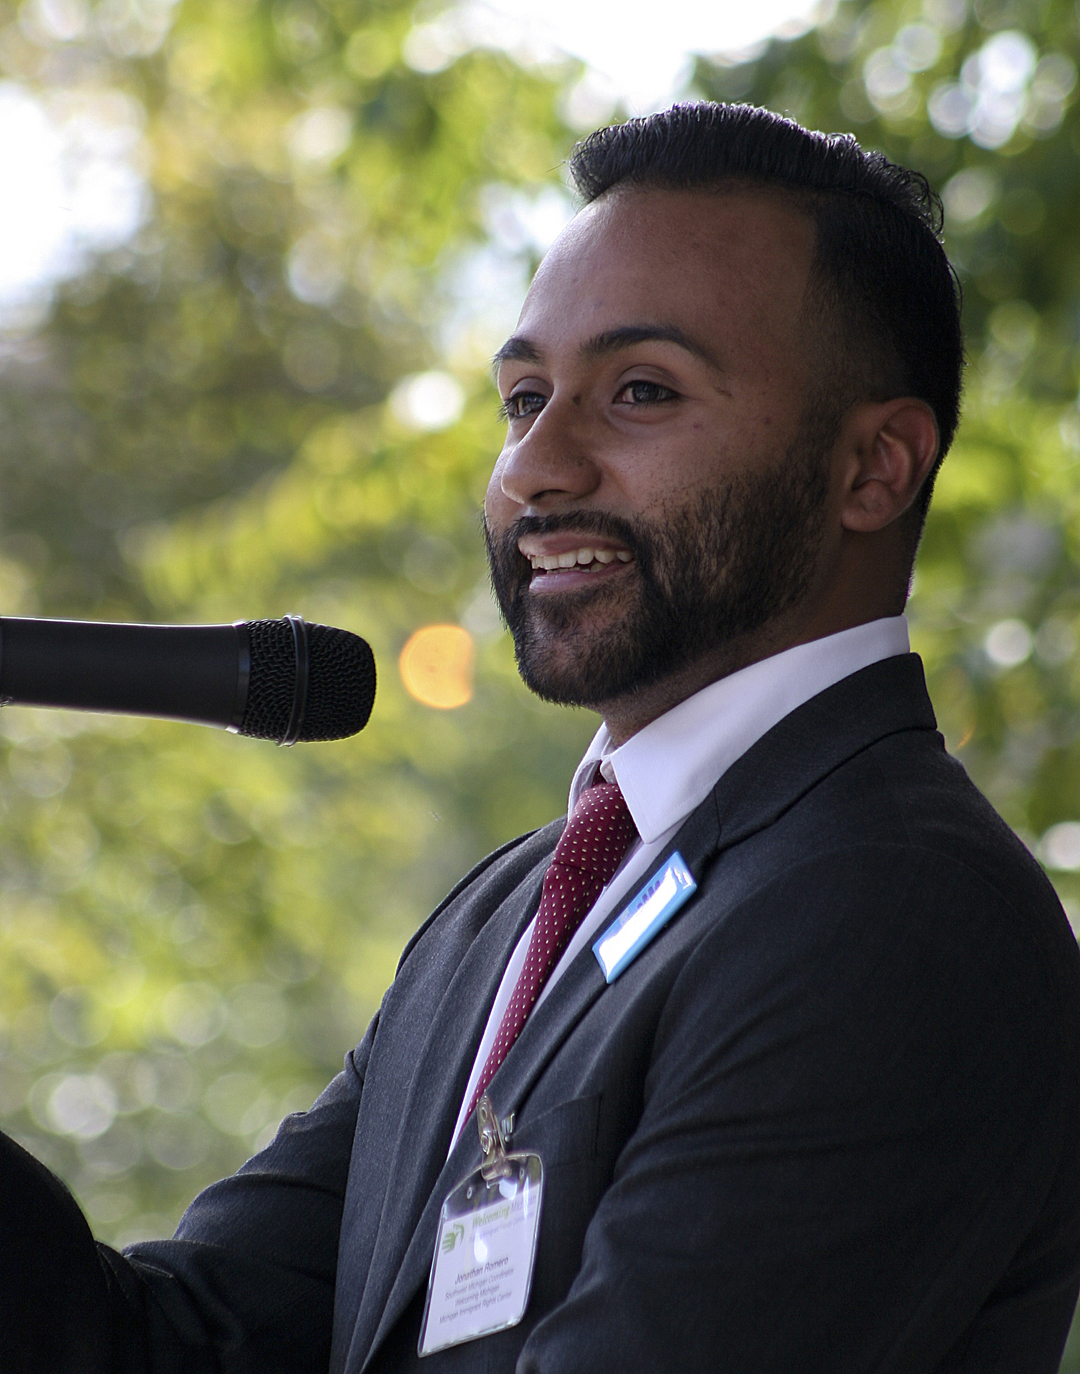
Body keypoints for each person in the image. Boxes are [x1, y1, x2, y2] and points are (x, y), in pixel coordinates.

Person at [3, 101, 1079, 1373]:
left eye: (639, 391)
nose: (533, 469)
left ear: (874, 469)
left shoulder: (893, 911)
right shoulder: (519, 908)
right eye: (523, 398)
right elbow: (175, 1348)